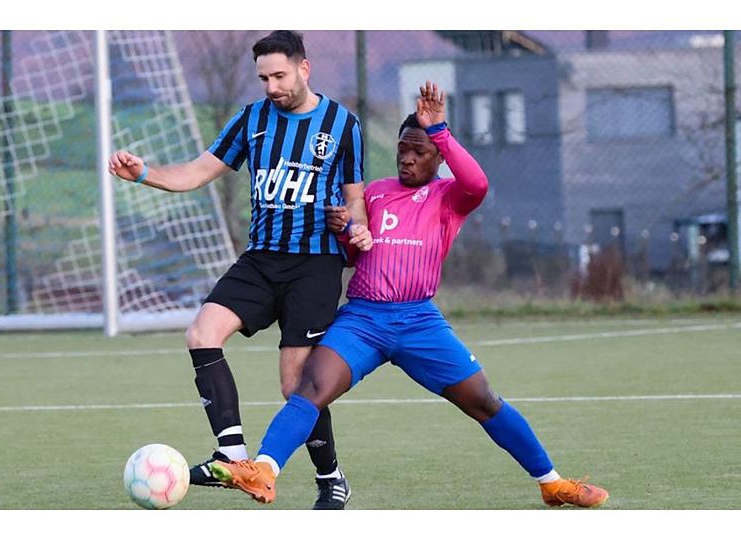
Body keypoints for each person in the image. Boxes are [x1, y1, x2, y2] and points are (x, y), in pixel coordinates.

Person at [207, 81, 610, 509]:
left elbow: (478, 182)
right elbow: (351, 252)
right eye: (403, 148)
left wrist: (440, 130)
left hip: (419, 321)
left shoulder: (449, 196)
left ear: (438, 155)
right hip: (363, 319)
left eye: (419, 150)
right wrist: (344, 228)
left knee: (483, 401)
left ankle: (551, 482)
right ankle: (264, 471)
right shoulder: (374, 193)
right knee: (308, 387)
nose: (407, 157)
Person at [108, 30, 372, 510]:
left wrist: (355, 226)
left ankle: (331, 478)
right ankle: (231, 453)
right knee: (201, 333)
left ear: (303, 68)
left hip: (313, 265)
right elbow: (195, 172)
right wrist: (144, 174)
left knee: (297, 386)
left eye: (279, 75)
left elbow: (356, 198)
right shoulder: (251, 120)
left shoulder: (342, 124)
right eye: (263, 78)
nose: (271, 86)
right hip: (260, 258)